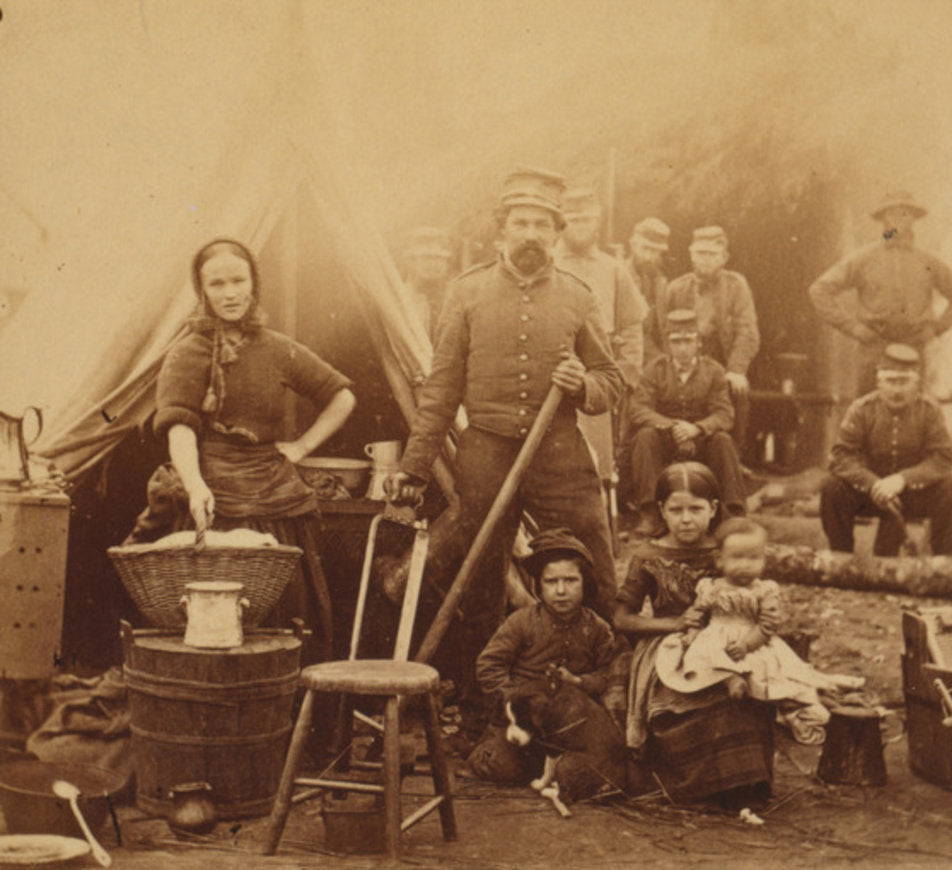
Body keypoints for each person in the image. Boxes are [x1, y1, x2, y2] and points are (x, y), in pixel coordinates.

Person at [386, 165, 624, 711]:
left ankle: (609, 695)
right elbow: (441, 391)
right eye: (521, 222)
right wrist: (415, 467)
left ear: (557, 234)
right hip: (486, 451)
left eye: (543, 224)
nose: (532, 234)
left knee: (598, 567)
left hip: (559, 450)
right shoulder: (465, 293)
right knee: (478, 582)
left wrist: (582, 384)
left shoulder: (578, 296)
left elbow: (612, 381)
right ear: (502, 230)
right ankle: (482, 710)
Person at [128, 238, 357, 662]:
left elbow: (341, 396)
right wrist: (195, 487)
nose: (230, 293)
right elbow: (180, 431)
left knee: (290, 615)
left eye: (239, 280)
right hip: (212, 498)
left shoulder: (277, 348)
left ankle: (289, 719)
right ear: (202, 291)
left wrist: (302, 447)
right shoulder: (186, 352)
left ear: (254, 284)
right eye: (217, 284)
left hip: (275, 499)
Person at [612, 462, 774, 806]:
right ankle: (694, 787)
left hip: (728, 639)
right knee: (690, 699)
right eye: (676, 510)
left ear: (713, 508)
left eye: (696, 509)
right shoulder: (648, 555)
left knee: (741, 695)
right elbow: (622, 619)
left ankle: (743, 785)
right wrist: (673, 624)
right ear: (661, 511)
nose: (687, 519)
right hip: (668, 645)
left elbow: (756, 596)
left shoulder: (726, 550)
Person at [658, 518, 862, 745]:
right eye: (737, 557)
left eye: (753, 558)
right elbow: (698, 612)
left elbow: (767, 626)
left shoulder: (765, 590)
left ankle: (769, 698)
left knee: (767, 670)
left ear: (763, 560)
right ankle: (731, 680)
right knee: (700, 656)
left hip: (750, 639)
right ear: (720, 560)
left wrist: (747, 644)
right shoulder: (711, 587)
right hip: (715, 636)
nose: (746, 565)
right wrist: (692, 631)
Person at [468, 528, 619, 783]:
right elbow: (488, 665)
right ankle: (487, 751)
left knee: (588, 772)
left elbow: (608, 674)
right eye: (551, 582)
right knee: (501, 768)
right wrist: (515, 699)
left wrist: (581, 683)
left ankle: (554, 766)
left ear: (586, 583)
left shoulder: (597, 629)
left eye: (571, 581)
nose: (561, 590)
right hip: (522, 722)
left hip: (571, 723)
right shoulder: (522, 623)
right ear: (539, 585)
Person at [808, 191, 952, 396]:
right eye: (892, 213)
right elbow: (819, 290)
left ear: (914, 219)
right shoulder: (864, 258)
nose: (899, 220)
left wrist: (936, 329)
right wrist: (854, 328)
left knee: (913, 414)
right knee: (868, 412)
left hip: (913, 346)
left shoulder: (928, 262)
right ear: (883, 218)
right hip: (874, 348)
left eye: (905, 213)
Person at [819, 343, 952, 556]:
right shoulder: (862, 409)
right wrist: (872, 483)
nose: (897, 390)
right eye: (891, 381)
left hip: (913, 493)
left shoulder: (929, 411)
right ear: (879, 382)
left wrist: (903, 480)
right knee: (832, 488)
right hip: (870, 494)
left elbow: (941, 458)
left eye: (904, 382)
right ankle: (841, 558)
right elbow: (841, 456)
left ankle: (943, 563)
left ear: (916, 383)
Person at [555, 187, 649, 482]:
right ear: (561, 222)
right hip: (552, 373)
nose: (581, 227)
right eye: (574, 219)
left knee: (597, 467)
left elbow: (632, 327)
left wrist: (625, 377)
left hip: (598, 377)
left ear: (597, 223)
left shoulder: (614, 269)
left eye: (587, 220)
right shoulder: (547, 264)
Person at [629, 308, 746, 529]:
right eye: (676, 342)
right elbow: (638, 409)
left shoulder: (714, 371)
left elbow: (724, 414)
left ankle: (733, 514)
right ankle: (651, 513)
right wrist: (671, 425)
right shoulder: (654, 370)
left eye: (688, 341)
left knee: (723, 441)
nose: (682, 348)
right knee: (645, 437)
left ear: (698, 342)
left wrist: (698, 428)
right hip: (665, 437)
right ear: (667, 344)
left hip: (701, 439)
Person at [665, 226, 759, 449]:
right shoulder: (676, 288)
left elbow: (747, 331)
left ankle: (733, 454)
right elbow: (662, 330)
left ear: (724, 258)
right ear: (691, 254)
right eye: (701, 253)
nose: (705, 260)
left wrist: (736, 370)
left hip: (721, 364)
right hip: (681, 361)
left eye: (712, 254)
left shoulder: (736, 286)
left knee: (737, 389)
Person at [625, 217, 672, 364]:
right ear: (633, 244)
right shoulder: (620, 277)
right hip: (627, 354)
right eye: (645, 248)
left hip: (653, 354)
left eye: (654, 251)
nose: (648, 256)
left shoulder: (659, 281)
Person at [402, 225, 452, 342]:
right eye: (426, 258)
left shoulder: (455, 299)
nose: (434, 264)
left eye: (439, 258)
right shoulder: (400, 299)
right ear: (410, 262)